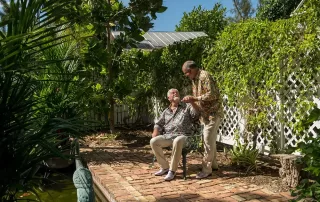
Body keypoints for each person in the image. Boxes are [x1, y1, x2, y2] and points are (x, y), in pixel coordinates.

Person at [181, 60, 223, 179]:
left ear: (191, 70)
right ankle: (213, 165)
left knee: (207, 141)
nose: (186, 76)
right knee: (210, 140)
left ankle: (206, 170)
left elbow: (213, 94)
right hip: (205, 115)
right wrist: (192, 100)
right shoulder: (195, 80)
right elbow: (198, 100)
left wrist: (195, 98)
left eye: (186, 73)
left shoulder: (205, 76)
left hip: (213, 113)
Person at [150, 88, 199, 181]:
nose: (175, 93)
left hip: (185, 136)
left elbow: (196, 115)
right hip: (169, 136)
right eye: (173, 93)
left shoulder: (186, 107)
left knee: (177, 140)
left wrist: (192, 102)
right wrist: (155, 131)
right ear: (169, 98)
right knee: (154, 141)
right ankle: (165, 167)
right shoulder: (166, 111)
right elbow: (158, 123)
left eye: (177, 92)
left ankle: (172, 171)